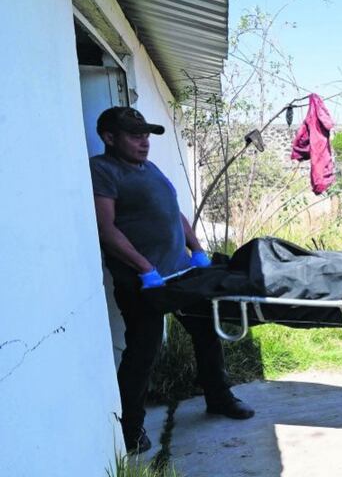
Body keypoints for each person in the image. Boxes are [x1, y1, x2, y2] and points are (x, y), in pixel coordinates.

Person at [89, 107, 254, 455]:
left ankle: (218, 397)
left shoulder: (150, 169)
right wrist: (144, 267)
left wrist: (196, 248)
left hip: (182, 274)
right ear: (109, 137)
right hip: (144, 283)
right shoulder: (103, 170)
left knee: (207, 334)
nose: (144, 142)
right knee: (143, 353)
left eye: (146, 135)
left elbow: (173, 211)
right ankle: (132, 430)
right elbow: (106, 229)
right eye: (135, 136)